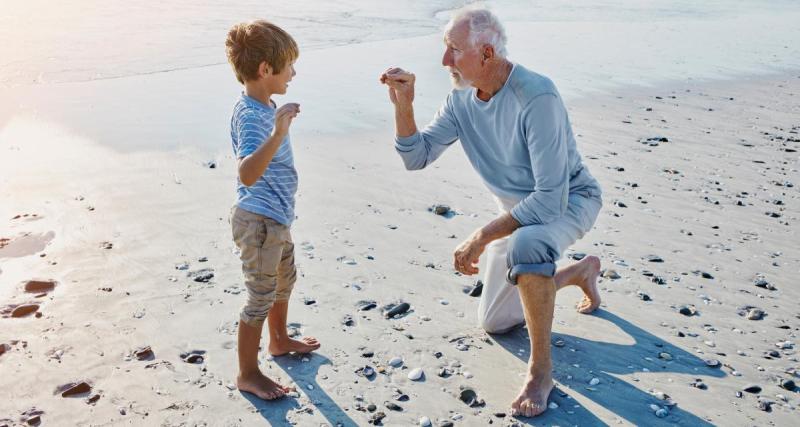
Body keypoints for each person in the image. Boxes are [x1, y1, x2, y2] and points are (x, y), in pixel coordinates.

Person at [380, 9, 603, 417]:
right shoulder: (461, 99)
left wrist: (482, 235)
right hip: (516, 215)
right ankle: (575, 273)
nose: (445, 61)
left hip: (570, 200)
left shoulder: (537, 96)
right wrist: (403, 105)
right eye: (445, 49)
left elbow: (550, 200)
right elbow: (417, 156)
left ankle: (541, 371)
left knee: (529, 242)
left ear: (486, 52)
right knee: (496, 323)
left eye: (453, 50)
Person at [225, 19, 320, 401]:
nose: (293, 73)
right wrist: (278, 134)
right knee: (260, 295)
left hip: (277, 218)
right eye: (288, 66)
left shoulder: (265, 103)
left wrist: (278, 126)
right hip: (259, 222)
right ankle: (247, 373)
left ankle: (279, 340)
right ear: (265, 69)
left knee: (286, 278)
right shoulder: (252, 116)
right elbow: (247, 172)